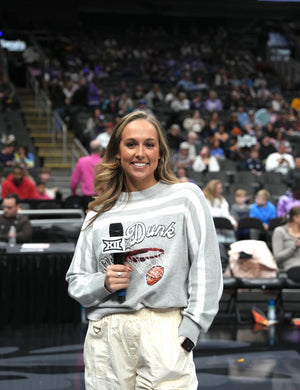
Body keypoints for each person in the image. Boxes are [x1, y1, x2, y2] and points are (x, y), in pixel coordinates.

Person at [66, 110, 223, 390]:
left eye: (149, 144)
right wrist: (102, 282)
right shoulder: (98, 213)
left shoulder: (186, 198)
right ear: (117, 153)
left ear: (160, 153)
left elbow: (207, 267)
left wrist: (191, 330)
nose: (140, 153)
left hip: (165, 332)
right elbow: (76, 281)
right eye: (131, 144)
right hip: (107, 336)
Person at [70, 139, 104, 210]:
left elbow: (74, 181)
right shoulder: (105, 163)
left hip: (87, 198)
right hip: (102, 197)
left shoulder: (82, 161)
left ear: (90, 149)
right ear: (101, 150)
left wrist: (74, 193)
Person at [272, 206, 300, 283]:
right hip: (293, 266)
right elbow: (277, 257)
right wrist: (295, 247)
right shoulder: (280, 231)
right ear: (295, 218)